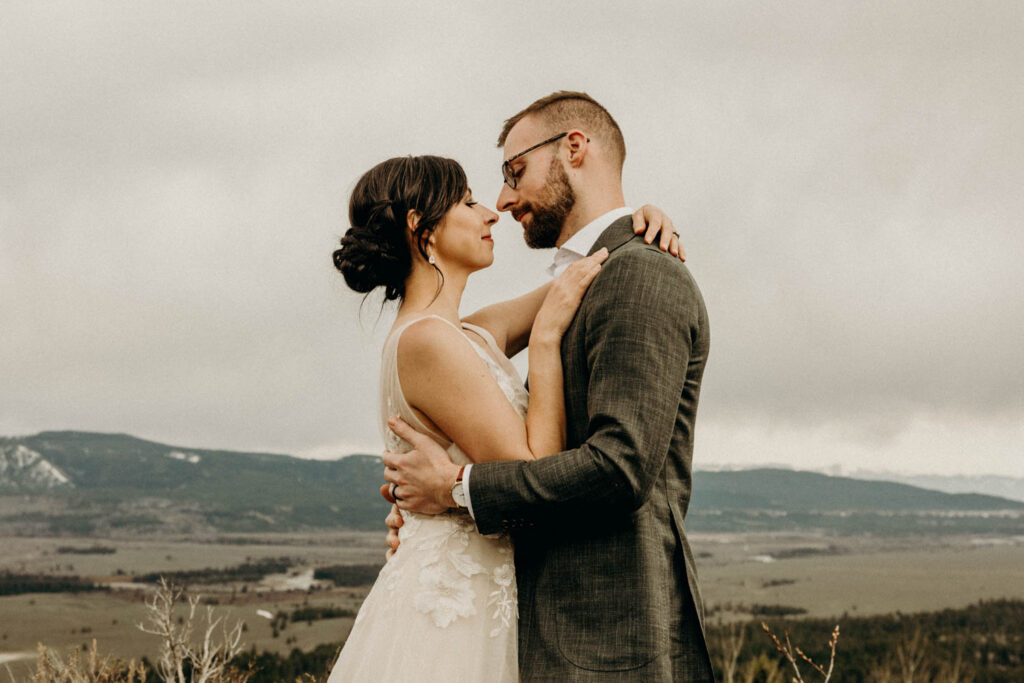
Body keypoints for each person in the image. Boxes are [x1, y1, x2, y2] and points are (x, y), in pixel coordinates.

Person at [382, 91, 714, 681]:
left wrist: (457, 491)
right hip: (527, 625)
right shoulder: (555, 294)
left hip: (609, 637)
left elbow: (620, 469)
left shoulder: (641, 276)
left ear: (574, 149)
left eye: (514, 173)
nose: (503, 202)